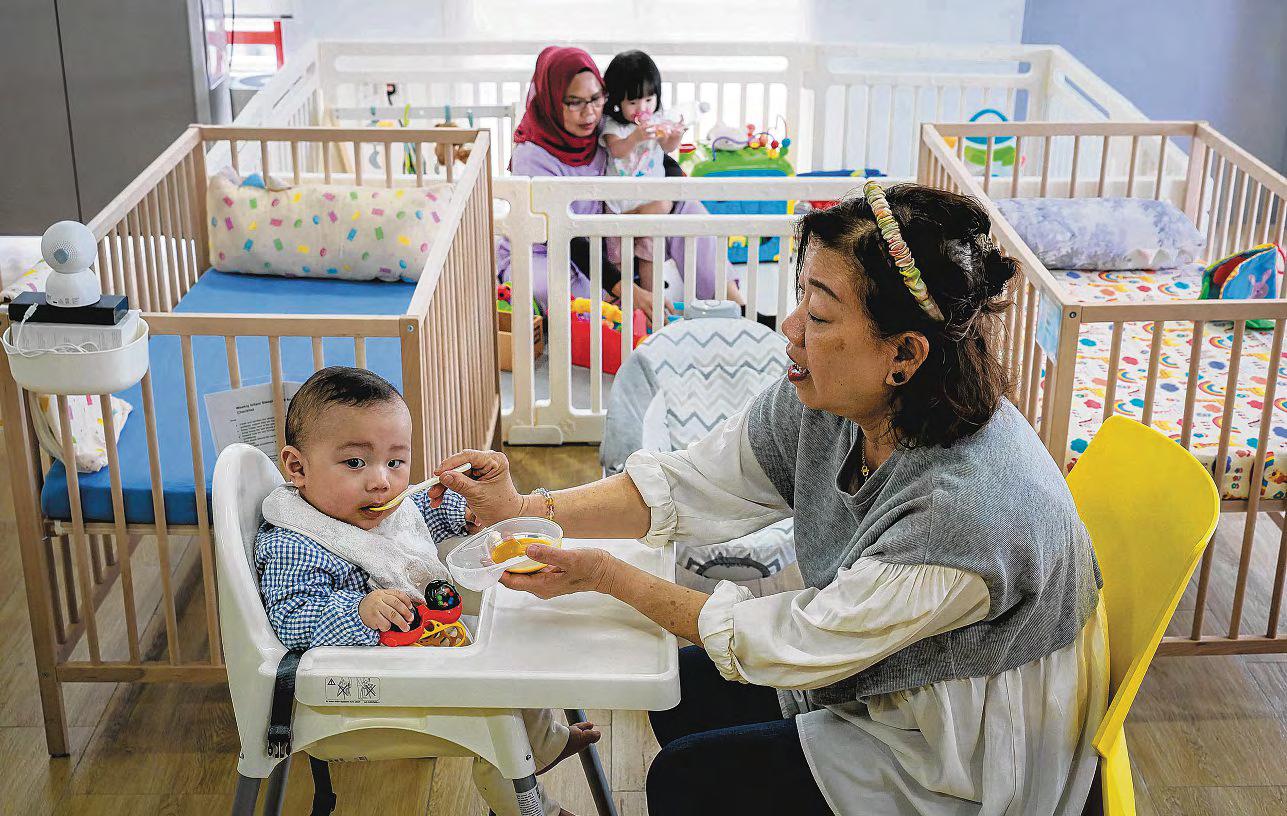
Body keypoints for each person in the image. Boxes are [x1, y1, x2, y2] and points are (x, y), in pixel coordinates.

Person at [432, 183, 1109, 815]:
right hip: (892, 672)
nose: (788, 327)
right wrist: (529, 509)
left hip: (960, 744)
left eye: (817, 313)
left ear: (902, 353)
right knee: (678, 694)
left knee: (684, 779)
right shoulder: (832, 401)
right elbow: (690, 481)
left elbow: (795, 640)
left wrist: (606, 575)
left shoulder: (962, 513)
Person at [254, 366, 598, 816]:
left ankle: (545, 744)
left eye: (395, 461)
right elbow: (291, 616)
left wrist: (468, 515)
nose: (381, 480)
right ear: (297, 467)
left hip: (421, 649)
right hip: (362, 689)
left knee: (511, 652)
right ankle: (532, 807)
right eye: (355, 462)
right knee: (497, 708)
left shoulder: (376, 509)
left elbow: (422, 515)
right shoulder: (293, 540)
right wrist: (360, 610)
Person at [496, 46, 739, 323]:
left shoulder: (600, 128)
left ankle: (731, 303)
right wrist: (624, 286)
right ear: (552, 99)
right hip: (554, 250)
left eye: (596, 98)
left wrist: (665, 198)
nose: (589, 112)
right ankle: (625, 308)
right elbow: (565, 236)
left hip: (610, 234)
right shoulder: (532, 156)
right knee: (564, 293)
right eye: (574, 102)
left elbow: (657, 160)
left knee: (689, 211)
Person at [600, 50, 686, 294]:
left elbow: (666, 147)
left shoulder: (658, 120)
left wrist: (674, 137)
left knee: (650, 252)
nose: (643, 107)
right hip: (620, 201)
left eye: (649, 99)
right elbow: (617, 150)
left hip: (648, 198)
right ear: (617, 101)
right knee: (618, 257)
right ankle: (621, 301)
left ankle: (651, 302)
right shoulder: (614, 125)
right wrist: (636, 137)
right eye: (633, 102)